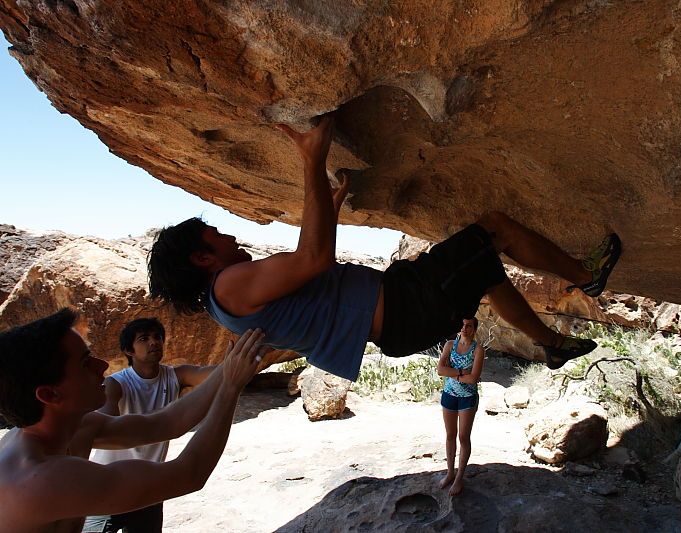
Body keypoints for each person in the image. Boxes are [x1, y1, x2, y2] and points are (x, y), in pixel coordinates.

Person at [148, 117, 621, 382]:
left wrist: (329, 206)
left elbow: (310, 285)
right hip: (406, 305)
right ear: (201, 258)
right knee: (492, 229)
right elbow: (312, 259)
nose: (229, 237)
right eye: (216, 237)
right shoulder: (229, 284)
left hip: (399, 318)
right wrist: (312, 159)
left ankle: (552, 344)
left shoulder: (226, 306)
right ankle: (585, 274)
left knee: (486, 271)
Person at [0, 309, 273, 532]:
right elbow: (189, 474)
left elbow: (167, 423)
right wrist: (230, 387)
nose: (102, 365)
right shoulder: (41, 478)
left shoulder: (74, 429)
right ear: (49, 394)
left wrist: (229, 368)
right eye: (85, 363)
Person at [84, 317, 217, 533]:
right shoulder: (116, 383)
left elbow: (212, 374)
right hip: (107, 486)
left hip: (149, 486)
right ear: (129, 350)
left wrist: (239, 359)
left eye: (157, 337)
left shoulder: (175, 375)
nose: (154, 342)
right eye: (144, 339)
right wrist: (166, 420)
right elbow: (108, 426)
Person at [436, 317, 485, 496]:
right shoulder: (450, 345)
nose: (464, 328)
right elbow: (440, 370)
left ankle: (459, 477)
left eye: (469, 326)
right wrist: (461, 373)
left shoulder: (478, 350)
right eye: (462, 325)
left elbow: (473, 378)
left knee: (464, 437)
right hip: (449, 395)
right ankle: (450, 472)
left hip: (467, 398)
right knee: (450, 435)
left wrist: (452, 373)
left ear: (474, 329)